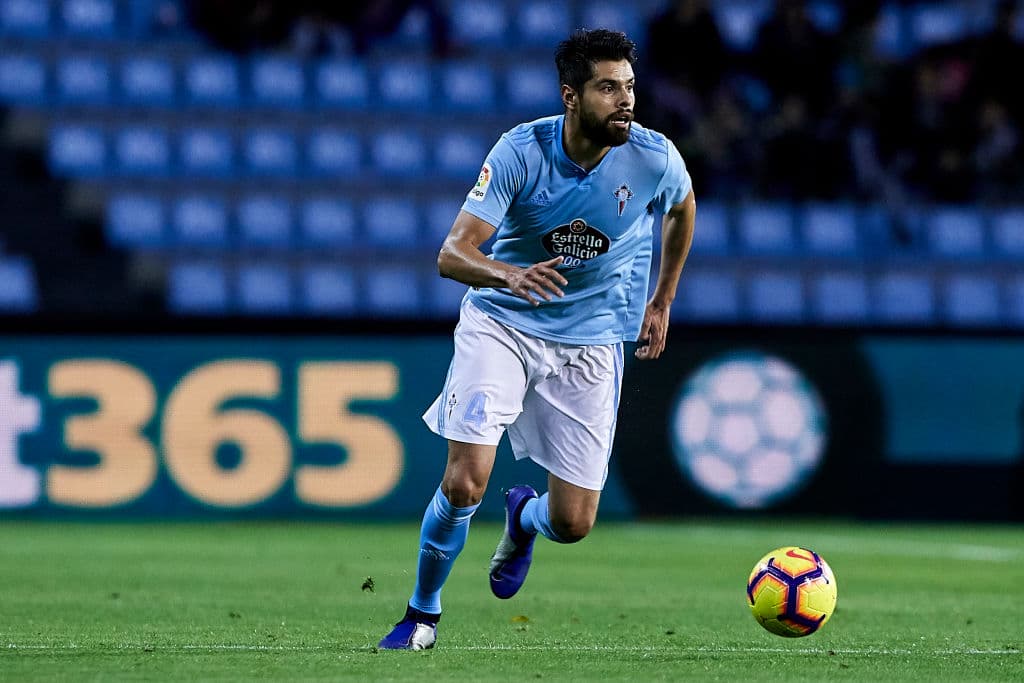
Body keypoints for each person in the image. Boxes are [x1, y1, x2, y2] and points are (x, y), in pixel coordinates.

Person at [378, 28, 696, 650]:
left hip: (591, 341)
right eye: (608, 88)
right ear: (571, 95)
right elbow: (452, 253)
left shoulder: (655, 157)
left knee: (574, 524)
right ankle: (422, 614)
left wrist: (663, 298)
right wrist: (510, 273)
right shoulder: (522, 151)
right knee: (466, 480)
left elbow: (683, 209)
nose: (625, 100)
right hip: (504, 325)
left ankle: (523, 517)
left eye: (630, 87)